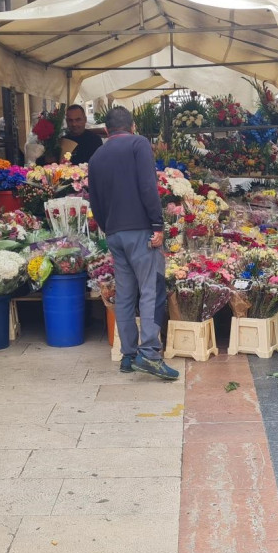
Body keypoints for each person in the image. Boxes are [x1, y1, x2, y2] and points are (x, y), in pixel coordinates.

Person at [87, 106, 178, 380]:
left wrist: (107, 227)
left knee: (125, 294)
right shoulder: (138, 144)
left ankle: (128, 355)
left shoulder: (96, 156)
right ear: (133, 126)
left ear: (106, 130)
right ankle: (149, 354)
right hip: (140, 229)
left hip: (114, 232)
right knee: (150, 289)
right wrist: (157, 224)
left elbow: (94, 200)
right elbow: (148, 186)